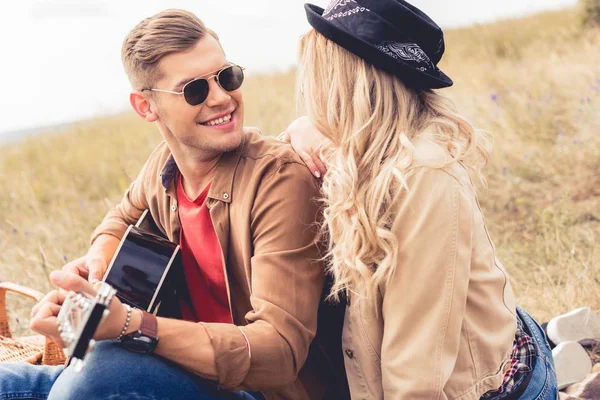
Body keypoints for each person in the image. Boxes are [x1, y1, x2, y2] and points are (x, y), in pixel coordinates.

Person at [0, 9, 348, 400]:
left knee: (98, 374)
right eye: (195, 90)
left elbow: (279, 352)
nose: (222, 98)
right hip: (179, 371)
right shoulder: (164, 166)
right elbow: (119, 220)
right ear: (146, 107)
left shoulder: (279, 180)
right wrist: (92, 286)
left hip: (260, 392)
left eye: (227, 77)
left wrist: (133, 324)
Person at [278, 0, 560, 398]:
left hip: (491, 388)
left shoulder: (425, 176)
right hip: (479, 335)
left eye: (317, 75)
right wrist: (304, 130)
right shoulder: (364, 148)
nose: (308, 91)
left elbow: (415, 372)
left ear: (346, 83)